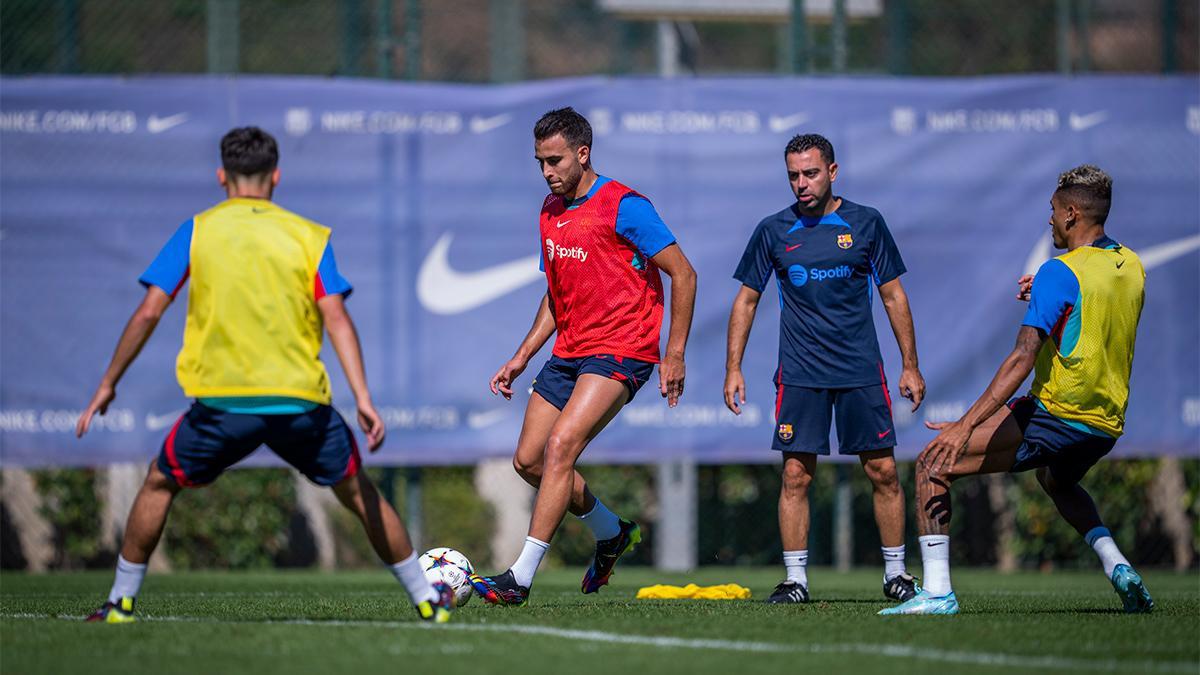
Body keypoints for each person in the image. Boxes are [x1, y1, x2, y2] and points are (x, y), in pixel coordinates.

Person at [76, 127, 453, 624]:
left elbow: (148, 312)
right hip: (300, 405)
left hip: (223, 405)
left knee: (158, 484)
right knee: (360, 493)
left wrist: (108, 381)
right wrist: (362, 396)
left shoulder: (198, 230)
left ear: (221, 177)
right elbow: (337, 318)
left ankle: (121, 603)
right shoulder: (308, 235)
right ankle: (428, 601)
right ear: (276, 176)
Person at [881, 164, 1152, 615]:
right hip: (1106, 425)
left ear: (1070, 213)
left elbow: (1021, 359)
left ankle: (937, 594)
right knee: (1057, 481)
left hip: (1059, 414)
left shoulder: (1059, 271)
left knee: (933, 462)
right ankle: (1117, 564)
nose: (1048, 220)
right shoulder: (1131, 265)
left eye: (1052, 211)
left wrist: (965, 427)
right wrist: (1047, 295)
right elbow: (1093, 313)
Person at [470, 108, 697, 605]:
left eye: (555, 160)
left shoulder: (624, 205)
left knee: (561, 447)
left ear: (582, 153)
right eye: (540, 162)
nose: (547, 171)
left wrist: (674, 354)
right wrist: (521, 356)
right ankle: (612, 531)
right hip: (569, 351)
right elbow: (555, 295)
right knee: (528, 460)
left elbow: (684, 273)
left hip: (622, 349)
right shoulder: (549, 212)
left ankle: (520, 578)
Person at [724, 133, 925, 604]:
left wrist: (910, 366)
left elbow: (893, 296)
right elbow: (746, 301)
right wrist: (733, 368)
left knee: (883, 473)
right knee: (795, 476)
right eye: (793, 175)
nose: (801, 183)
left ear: (833, 172)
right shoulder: (773, 230)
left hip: (860, 371)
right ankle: (795, 581)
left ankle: (896, 574)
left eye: (810, 173)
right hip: (799, 374)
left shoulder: (866, 223)